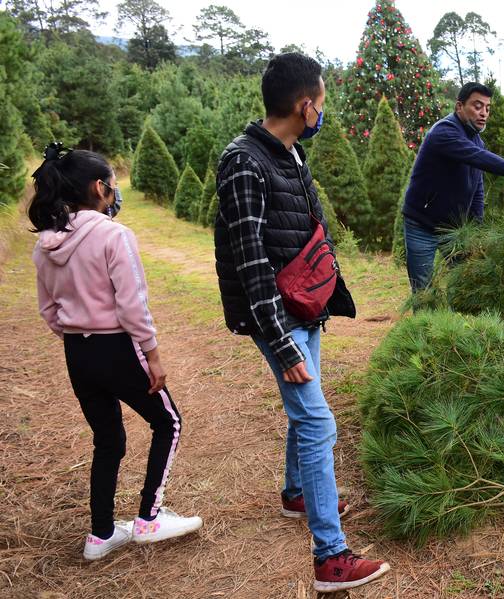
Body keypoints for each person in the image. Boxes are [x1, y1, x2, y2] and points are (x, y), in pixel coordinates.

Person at [213, 52, 389, 593]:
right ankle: (330, 559)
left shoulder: (289, 154)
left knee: (304, 414)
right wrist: (282, 343)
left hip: (304, 307)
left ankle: (296, 492)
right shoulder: (244, 162)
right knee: (317, 423)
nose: (323, 115)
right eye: (321, 104)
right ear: (304, 104)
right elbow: (249, 261)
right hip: (278, 317)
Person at [29, 143, 202, 561]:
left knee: (107, 439)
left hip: (77, 352)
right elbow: (132, 305)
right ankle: (148, 518)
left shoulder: (46, 244)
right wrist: (153, 355)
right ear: (98, 188)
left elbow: (48, 310)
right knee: (169, 423)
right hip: (118, 348)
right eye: (111, 184)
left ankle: (102, 533)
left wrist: (78, 334)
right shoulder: (114, 235)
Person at [401, 82, 504, 292]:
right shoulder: (444, 132)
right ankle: (425, 324)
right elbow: (479, 157)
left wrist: (476, 231)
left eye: (487, 108)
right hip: (422, 224)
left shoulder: (477, 140)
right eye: (477, 106)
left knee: (466, 284)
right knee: (423, 291)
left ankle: (458, 324)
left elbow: (476, 189)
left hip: (454, 228)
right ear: (459, 107)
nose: (484, 113)